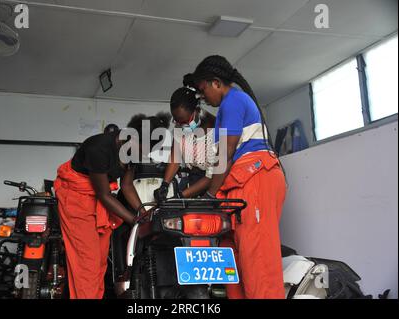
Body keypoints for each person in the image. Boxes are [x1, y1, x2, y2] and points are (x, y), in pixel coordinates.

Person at [184, 55, 287, 299]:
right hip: (241, 183)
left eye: (203, 90)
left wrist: (209, 197)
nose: (203, 97)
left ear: (216, 83)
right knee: (234, 265)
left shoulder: (233, 101)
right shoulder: (226, 109)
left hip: (255, 180)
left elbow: (226, 154)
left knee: (258, 264)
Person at [53, 113, 169, 299]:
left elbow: (127, 186)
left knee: (99, 263)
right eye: (144, 149)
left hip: (99, 204)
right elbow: (104, 194)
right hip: (76, 201)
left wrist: (143, 213)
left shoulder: (131, 152)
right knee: (86, 265)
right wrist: (134, 221)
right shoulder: (99, 148)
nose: (144, 155)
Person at [153, 87, 217, 201]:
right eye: (177, 121)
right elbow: (176, 156)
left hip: (213, 185)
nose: (180, 125)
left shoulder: (216, 129)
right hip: (193, 178)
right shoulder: (181, 126)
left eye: (184, 121)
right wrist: (165, 184)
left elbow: (211, 177)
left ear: (197, 110)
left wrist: (180, 196)